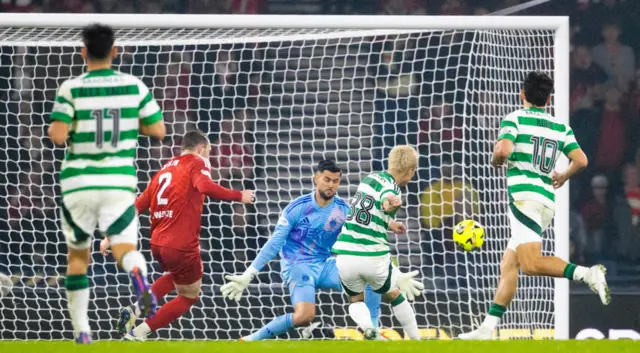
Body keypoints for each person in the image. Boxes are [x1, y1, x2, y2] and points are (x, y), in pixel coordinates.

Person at [458, 71, 610, 340]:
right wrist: (562, 176)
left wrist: (496, 161)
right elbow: (582, 160)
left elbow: (503, 151)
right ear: (548, 98)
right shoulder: (560, 127)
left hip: (524, 199)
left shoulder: (514, 118)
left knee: (529, 265)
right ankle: (485, 330)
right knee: (509, 265)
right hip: (545, 202)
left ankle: (587, 274)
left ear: (522, 94)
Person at [47, 23, 166, 344]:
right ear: (115, 51)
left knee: (77, 257)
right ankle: (138, 278)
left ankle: (82, 331)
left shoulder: (71, 88)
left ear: (83, 51)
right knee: (125, 247)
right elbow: (158, 131)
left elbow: (57, 136)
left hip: (79, 184)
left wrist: (75, 129)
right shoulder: (134, 86)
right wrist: (127, 127)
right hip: (118, 182)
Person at [221, 160, 419, 340]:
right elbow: (274, 243)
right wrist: (249, 274)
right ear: (316, 178)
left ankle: (373, 332)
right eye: (326, 179)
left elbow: (363, 227)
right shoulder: (297, 208)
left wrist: (389, 224)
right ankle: (249, 340)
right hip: (298, 265)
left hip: (325, 265)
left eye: (335, 181)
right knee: (305, 316)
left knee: (369, 279)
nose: (331, 185)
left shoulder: (342, 210)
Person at [100, 130, 255, 341]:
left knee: (176, 277)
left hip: (157, 243)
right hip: (181, 244)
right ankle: (138, 333)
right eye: (208, 152)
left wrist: (111, 236)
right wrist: (239, 195)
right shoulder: (197, 162)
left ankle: (134, 310)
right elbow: (205, 186)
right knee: (189, 295)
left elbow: (139, 204)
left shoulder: (164, 170)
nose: (208, 157)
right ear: (201, 148)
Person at [332, 145, 423, 340]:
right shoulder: (392, 188)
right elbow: (385, 201)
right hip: (372, 256)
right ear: (410, 171)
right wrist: (390, 202)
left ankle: (368, 328)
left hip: (345, 255)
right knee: (395, 295)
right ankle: (417, 340)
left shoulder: (369, 179)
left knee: (355, 300)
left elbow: (366, 213)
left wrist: (389, 223)